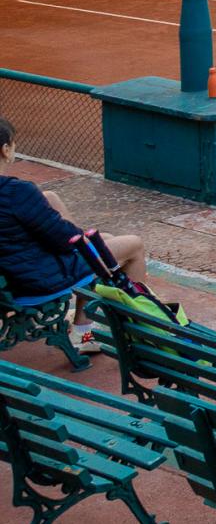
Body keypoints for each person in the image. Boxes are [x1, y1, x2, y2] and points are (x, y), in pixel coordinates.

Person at [1, 116, 150, 351]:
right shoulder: (17, 193)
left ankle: (87, 315)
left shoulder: (19, 194)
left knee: (51, 198)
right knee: (133, 245)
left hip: (11, 271)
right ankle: (107, 333)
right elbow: (66, 242)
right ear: (5, 149)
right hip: (32, 280)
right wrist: (83, 239)